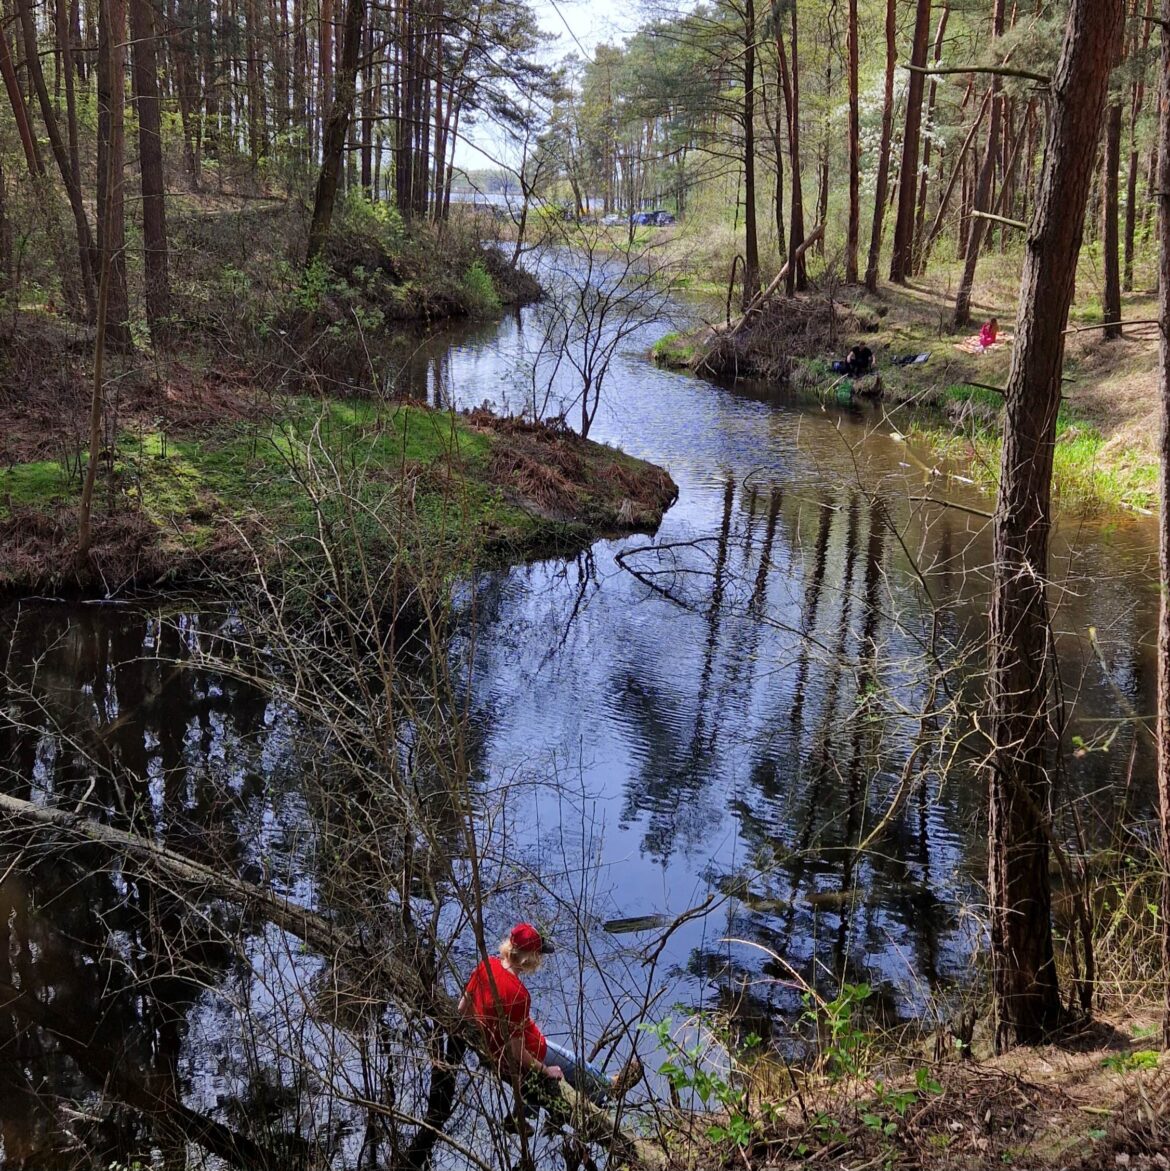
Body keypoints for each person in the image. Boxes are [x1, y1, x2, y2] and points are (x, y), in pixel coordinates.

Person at [458, 923, 642, 1129]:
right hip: (533, 1051)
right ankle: (610, 1088)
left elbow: (463, 1008)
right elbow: (516, 1050)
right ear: (529, 958)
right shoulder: (519, 995)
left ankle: (526, 1114)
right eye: (539, 955)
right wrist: (546, 1070)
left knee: (545, 1078)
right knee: (576, 1065)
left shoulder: (486, 965)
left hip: (493, 1050)